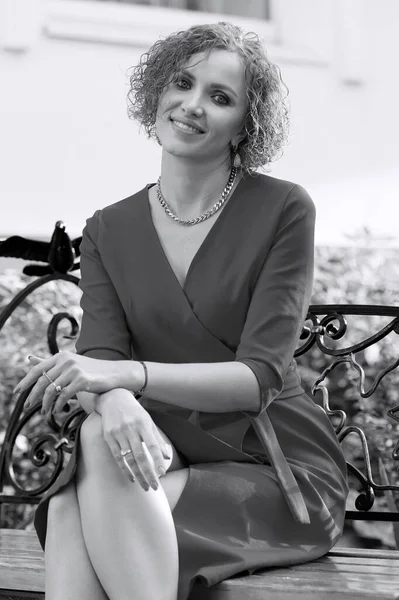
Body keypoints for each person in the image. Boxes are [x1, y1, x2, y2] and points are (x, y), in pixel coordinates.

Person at [14, 22, 349, 600]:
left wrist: (127, 378)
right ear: (157, 92)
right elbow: (101, 361)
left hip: (276, 470)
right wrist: (114, 394)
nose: (193, 106)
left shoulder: (284, 209)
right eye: (183, 83)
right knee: (94, 447)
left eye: (220, 98)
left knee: (75, 507)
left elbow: (258, 379)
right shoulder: (108, 228)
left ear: (247, 125)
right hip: (153, 457)